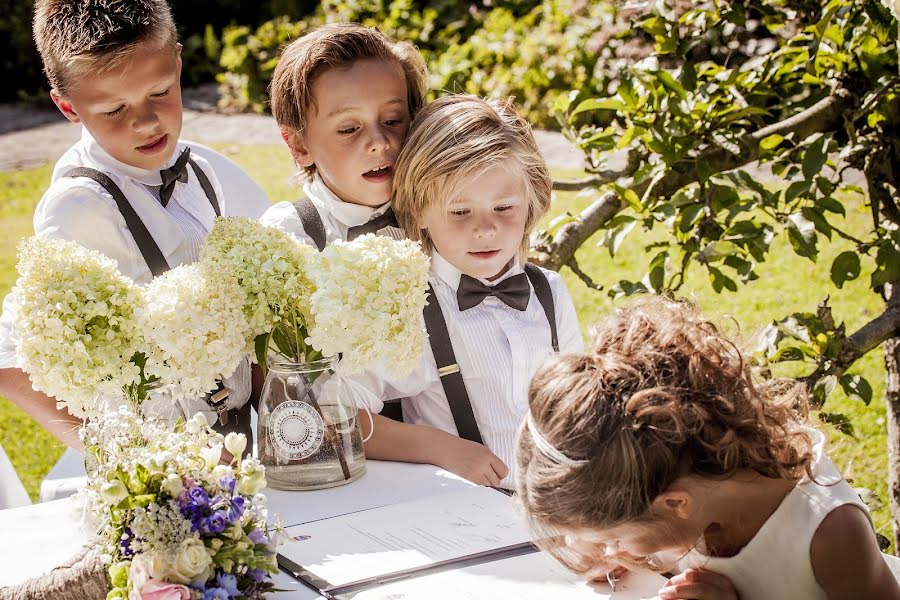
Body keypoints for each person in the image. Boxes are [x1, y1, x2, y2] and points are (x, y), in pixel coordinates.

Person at [515, 298, 900, 600]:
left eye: (612, 539)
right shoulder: (681, 477)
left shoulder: (830, 535)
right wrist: (626, 559)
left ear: (675, 504)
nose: (611, 551)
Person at [0, 0, 251, 449]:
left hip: (239, 441)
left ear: (177, 62)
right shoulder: (79, 207)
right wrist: (123, 457)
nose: (146, 122)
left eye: (159, 92)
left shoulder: (196, 170)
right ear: (68, 106)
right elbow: (14, 360)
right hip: (169, 465)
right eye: (114, 109)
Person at [345, 94, 583, 489]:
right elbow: (339, 416)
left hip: (559, 503)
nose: (485, 229)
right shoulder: (413, 309)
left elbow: (578, 403)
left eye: (504, 208)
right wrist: (437, 447)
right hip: (464, 513)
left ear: (531, 201)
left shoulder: (549, 292)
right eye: (460, 212)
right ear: (420, 208)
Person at [259, 22, 428, 249]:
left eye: (392, 121)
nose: (379, 142)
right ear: (299, 146)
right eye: (349, 129)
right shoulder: (289, 237)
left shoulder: (448, 213)